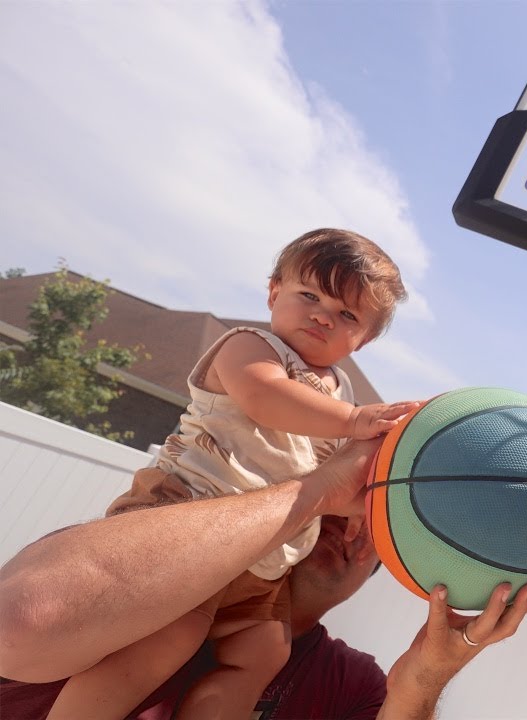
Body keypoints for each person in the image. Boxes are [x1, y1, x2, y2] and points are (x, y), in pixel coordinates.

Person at [48, 228, 422, 719]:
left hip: (258, 560)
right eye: (309, 295)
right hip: (185, 512)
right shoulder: (251, 347)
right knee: (169, 635)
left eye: (347, 314)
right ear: (273, 292)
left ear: (365, 338)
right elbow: (265, 398)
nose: (322, 315)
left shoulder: (341, 395)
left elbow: (337, 471)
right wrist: (355, 422)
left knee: (265, 651)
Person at [0, 438, 527, 718]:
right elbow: (23, 623)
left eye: (381, 528)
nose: (351, 531)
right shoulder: (132, 581)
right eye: (348, 503)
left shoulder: (349, 684)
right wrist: (311, 491)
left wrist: (428, 674)